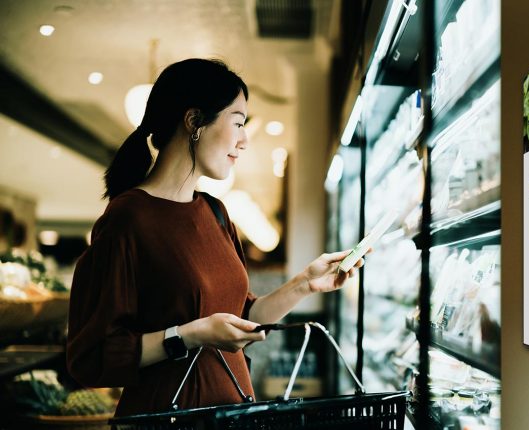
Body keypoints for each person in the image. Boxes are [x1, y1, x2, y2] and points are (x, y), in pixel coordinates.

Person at [66, 58, 364, 417]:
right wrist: (189, 335)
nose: (244, 140)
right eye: (238, 122)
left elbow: (242, 316)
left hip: (234, 413)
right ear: (194, 122)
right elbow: (92, 356)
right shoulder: (128, 218)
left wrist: (306, 284)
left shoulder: (215, 212)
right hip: (169, 418)